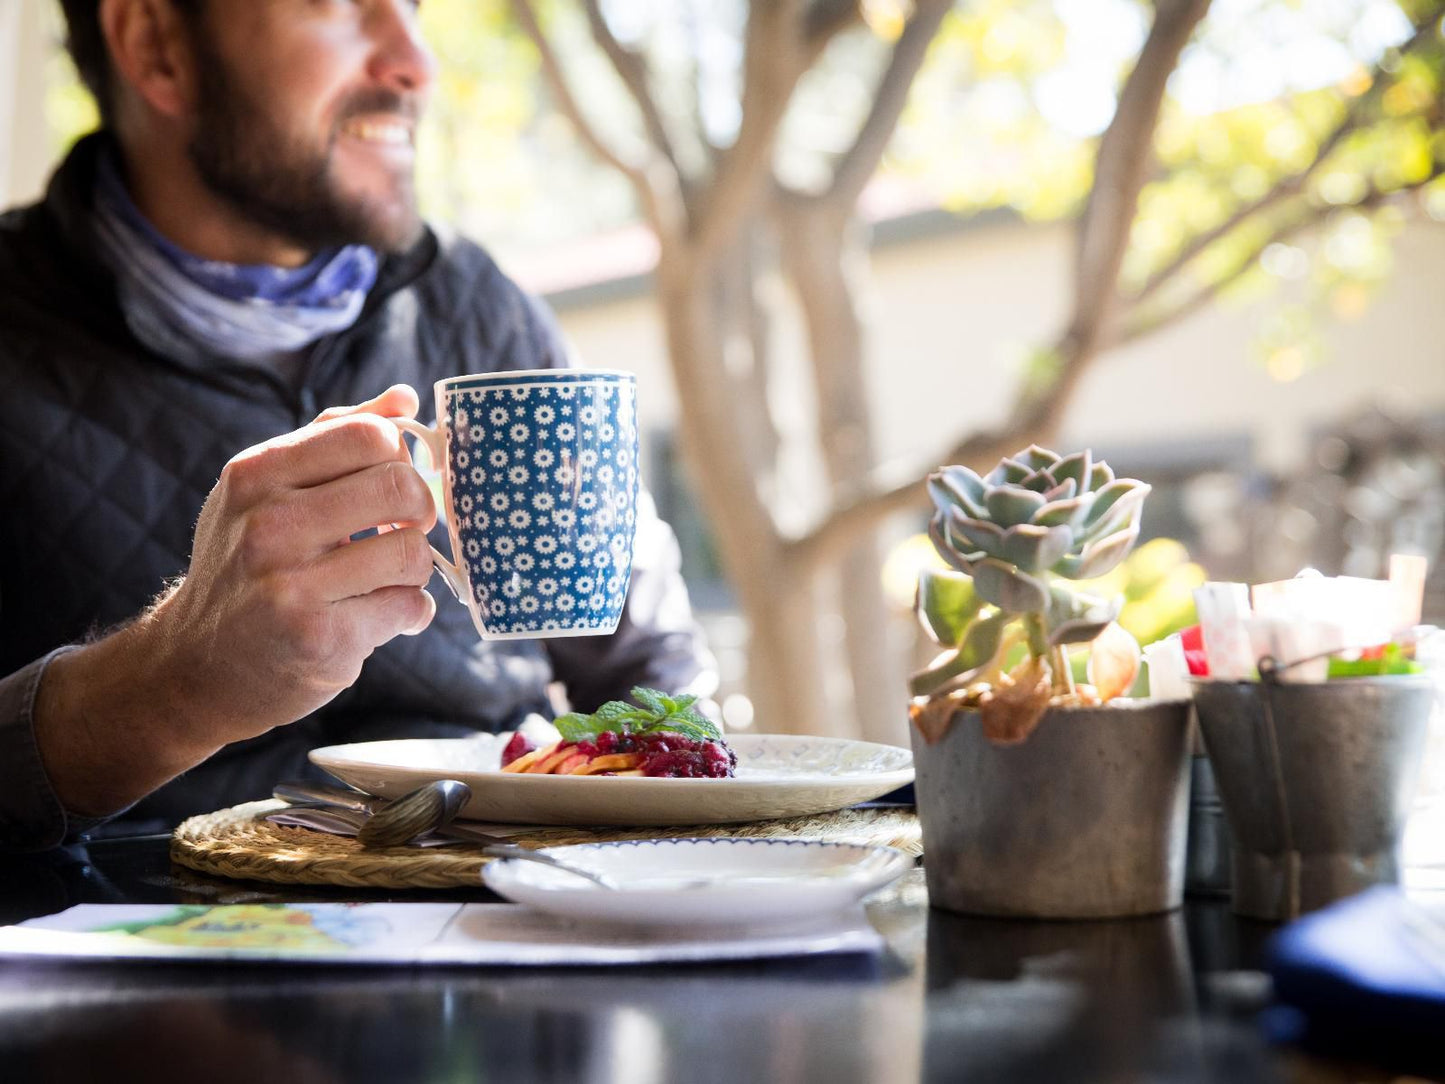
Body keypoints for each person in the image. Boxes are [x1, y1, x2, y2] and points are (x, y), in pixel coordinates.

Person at [0, 0, 715, 852]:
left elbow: (651, 666)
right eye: (340, 7)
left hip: (506, 920)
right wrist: (172, 684)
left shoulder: (480, 308)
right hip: (142, 943)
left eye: (412, 8)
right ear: (155, 45)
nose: (416, 59)